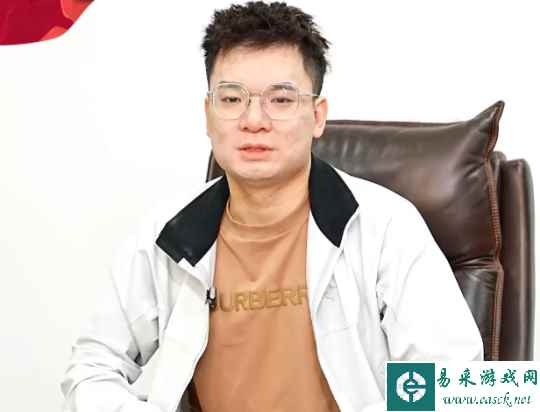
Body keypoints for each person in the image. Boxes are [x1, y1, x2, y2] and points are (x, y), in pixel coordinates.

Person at [60, 2, 484, 411]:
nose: (253, 120)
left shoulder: (386, 227)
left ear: (317, 116)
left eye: (280, 100)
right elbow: (91, 368)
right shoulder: (167, 234)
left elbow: (455, 384)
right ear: (208, 114)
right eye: (231, 99)